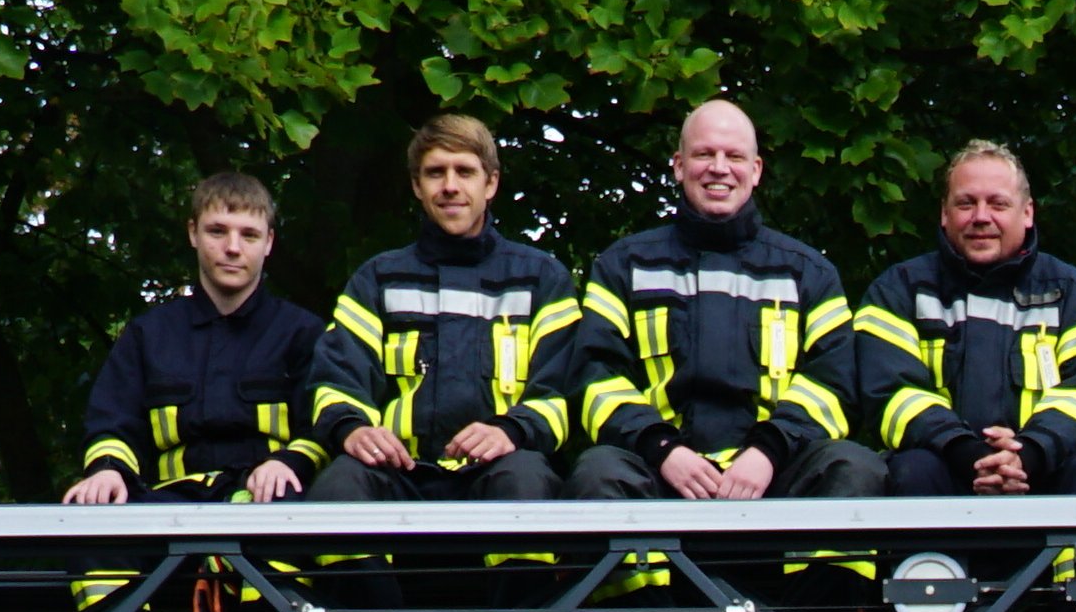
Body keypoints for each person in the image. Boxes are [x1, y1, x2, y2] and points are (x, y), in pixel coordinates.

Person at [569, 100, 886, 500]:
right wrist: (663, 448)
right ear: (679, 165)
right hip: (659, 471)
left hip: (777, 473)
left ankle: (821, 568)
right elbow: (595, 376)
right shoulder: (623, 266)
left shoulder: (808, 273)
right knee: (598, 471)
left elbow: (835, 383)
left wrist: (768, 450)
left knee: (854, 466)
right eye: (704, 154)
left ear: (755, 171)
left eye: (734, 156)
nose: (719, 167)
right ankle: (637, 568)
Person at [834, 140, 1076, 497]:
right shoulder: (898, 292)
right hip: (943, 473)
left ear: (1028, 212)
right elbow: (890, 392)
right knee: (912, 468)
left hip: (1043, 475)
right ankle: (931, 558)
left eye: (998, 204)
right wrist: (969, 452)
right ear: (944, 212)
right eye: (966, 203)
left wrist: (1030, 451)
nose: (981, 217)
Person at [307, 113, 582, 507]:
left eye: (464, 172)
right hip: (398, 472)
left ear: (491, 183)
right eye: (436, 173)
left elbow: (562, 390)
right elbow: (337, 377)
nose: (450, 186)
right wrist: (352, 429)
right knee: (339, 485)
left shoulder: (541, 279)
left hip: (503, 468)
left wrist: (512, 431)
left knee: (527, 482)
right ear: (417, 187)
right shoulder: (378, 279)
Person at [63, 171, 332, 505]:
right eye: (217, 231)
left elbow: (323, 428)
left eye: (249, 235)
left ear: (269, 243)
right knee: (93, 515)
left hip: (268, 509)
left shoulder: (302, 333)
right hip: (165, 510)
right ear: (193, 232)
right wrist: (108, 470)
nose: (232, 248)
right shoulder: (148, 335)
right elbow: (113, 424)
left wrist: (288, 463)